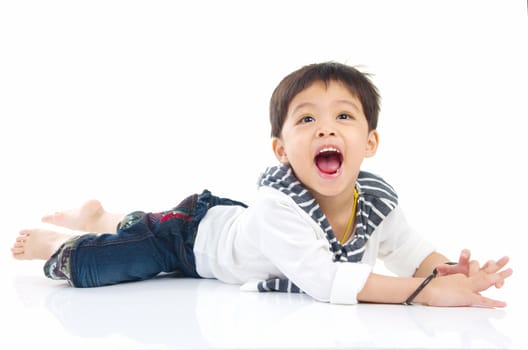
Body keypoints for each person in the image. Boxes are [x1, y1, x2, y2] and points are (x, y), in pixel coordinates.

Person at [11, 62, 512, 307]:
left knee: (143, 226)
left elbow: (407, 249)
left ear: (371, 141)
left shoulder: (376, 200)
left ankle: (102, 215)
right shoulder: (279, 203)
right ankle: (65, 241)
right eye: (306, 120)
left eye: (343, 116)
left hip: (235, 224)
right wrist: (422, 295)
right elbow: (324, 280)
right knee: (106, 264)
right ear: (280, 150)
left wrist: (444, 273)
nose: (326, 128)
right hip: (189, 241)